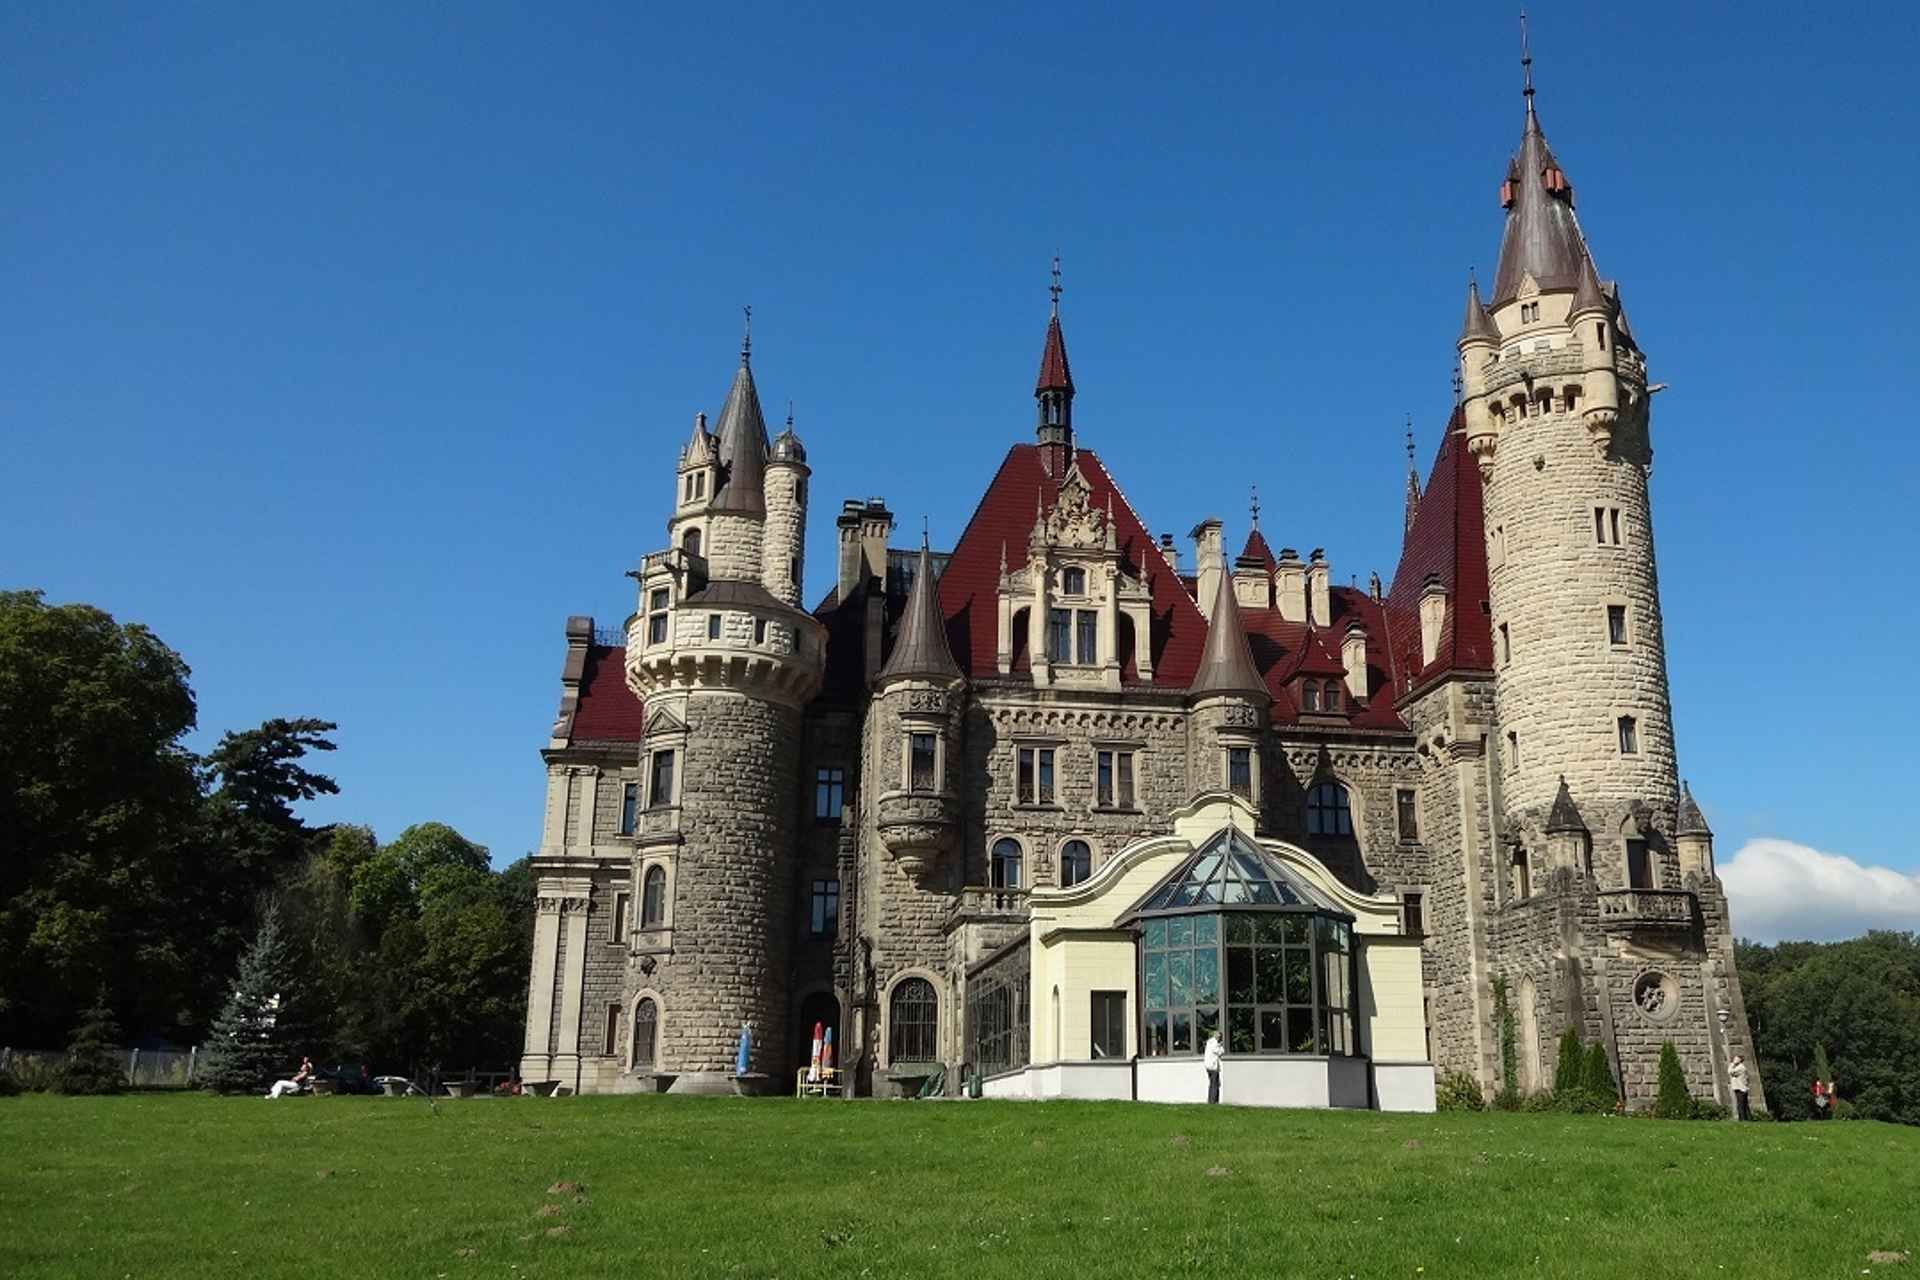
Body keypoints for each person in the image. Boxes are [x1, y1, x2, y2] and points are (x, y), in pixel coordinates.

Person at [1202, 1028, 1223, 1104]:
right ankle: (1213, 1101)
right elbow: (1219, 1052)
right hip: (1213, 1066)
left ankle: (1210, 1100)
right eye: (1219, 1036)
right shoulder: (1214, 1043)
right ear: (1216, 1036)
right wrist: (1221, 1046)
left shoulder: (1209, 1042)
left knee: (1212, 1083)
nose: (1220, 1038)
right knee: (1214, 1084)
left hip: (1208, 1066)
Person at [1728, 1053, 1751, 1121]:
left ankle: (1742, 1119)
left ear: (1739, 1060)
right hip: (1741, 1088)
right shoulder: (1740, 1067)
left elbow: (1730, 1071)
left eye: (1736, 1058)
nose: (1734, 1060)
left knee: (1740, 1105)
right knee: (1744, 1105)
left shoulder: (1740, 1068)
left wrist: (1732, 1063)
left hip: (1741, 1089)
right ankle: (1748, 1119)